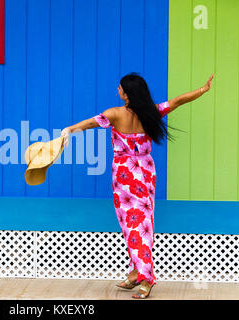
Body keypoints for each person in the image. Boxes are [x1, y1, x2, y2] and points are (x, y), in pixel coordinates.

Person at [60, 73, 214, 299]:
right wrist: (202, 90)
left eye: (120, 88)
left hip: (124, 172)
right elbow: (179, 100)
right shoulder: (151, 111)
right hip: (144, 170)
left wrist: (68, 130)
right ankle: (136, 272)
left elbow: (90, 123)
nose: (118, 91)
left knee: (134, 225)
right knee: (138, 224)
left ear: (127, 93)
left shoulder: (114, 113)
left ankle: (147, 277)